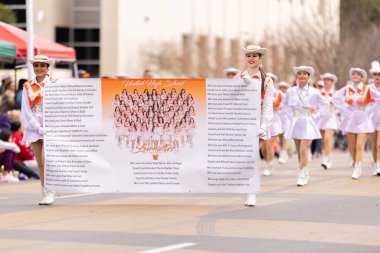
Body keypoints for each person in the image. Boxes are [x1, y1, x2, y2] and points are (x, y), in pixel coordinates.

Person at [238, 45, 274, 206]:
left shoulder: (266, 80)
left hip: (257, 121)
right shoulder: (239, 77)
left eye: (254, 55)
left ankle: (251, 192)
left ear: (260, 58)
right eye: (248, 55)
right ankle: (246, 189)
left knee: (252, 157)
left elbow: (267, 106)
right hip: (241, 121)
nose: (251, 58)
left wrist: (264, 126)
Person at [283, 66, 329, 186]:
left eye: (305, 74)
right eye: (300, 74)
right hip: (296, 121)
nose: (302, 75)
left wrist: (316, 116)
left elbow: (325, 104)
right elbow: (285, 105)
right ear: (297, 76)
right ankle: (305, 170)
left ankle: (302, 174)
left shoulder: (314, 91)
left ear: (309, 76)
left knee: (304, 149)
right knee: (299, 151)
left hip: (308, 121)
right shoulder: (291, 91)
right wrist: (289, 115)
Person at [332, 67, 380, 179]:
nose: (355, 76)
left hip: (363, 118)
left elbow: (378, 98)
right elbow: (335, 98)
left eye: (358, 74)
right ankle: (355, 165)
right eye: (353, 74)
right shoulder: (347, 88)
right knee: (352, 146)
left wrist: (370, 109)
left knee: (359, 146)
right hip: (351, 118)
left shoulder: (367, 89)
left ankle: (358, 168)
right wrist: (343, 109)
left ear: (362, 78)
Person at [20, 55, 55, 205]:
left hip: (51, 126)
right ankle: (45, 191)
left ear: (47, 68)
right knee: (40, 162)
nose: (39, 68)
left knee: (47, 159)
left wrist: (48, 126)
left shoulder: (54, 84)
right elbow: (26, 110)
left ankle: (52, 188)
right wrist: (37, 127)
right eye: (36, 65)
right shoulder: (28, 86)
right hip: (34, 127)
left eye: (42, 65)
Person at [262, 73, 282, 176]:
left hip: (273, 120)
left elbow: (278, 104)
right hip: (262, 120)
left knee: (270, 145)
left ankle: (269, 165)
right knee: (263, 147)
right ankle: (267, 162)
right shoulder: (261, 92)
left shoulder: (278, 93)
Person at [317, 73, 339, 169]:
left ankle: (325, 160)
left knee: (327, 138)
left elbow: (340, 105)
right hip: (321, 117)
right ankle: (329, 157)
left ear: (332, 81)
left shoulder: (336, 92)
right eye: (325, 79)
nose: (326, 81)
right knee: (324, 141)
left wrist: (336, 111)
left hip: (331, 117)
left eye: (328, 80)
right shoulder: (318, 92)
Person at [368, 61, 380, 175]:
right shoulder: (368, 88)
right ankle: (375, 164)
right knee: (374, 144)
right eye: (375, 74)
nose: (377, 77)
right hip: (372, 117)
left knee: (379, 144)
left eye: (379, 75)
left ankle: (379, 165)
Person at [277, 81, 290, 164]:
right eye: (281, 87)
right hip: (278, 118)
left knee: (285, 136)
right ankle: (283, 152)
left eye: (284, 88)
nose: (282, 89)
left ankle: (284, 153)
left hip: (286, 119)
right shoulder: (276, 96)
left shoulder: (288, 97)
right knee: (280, 137)